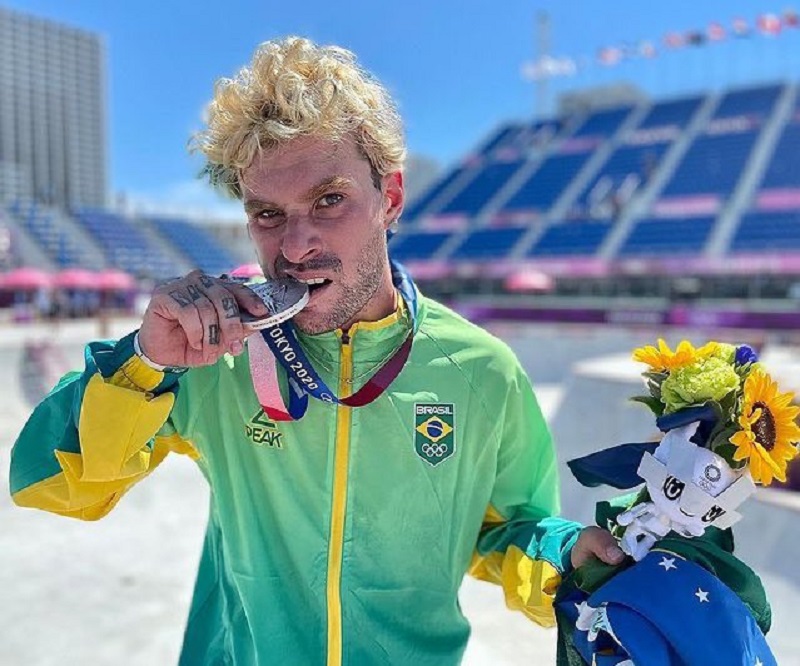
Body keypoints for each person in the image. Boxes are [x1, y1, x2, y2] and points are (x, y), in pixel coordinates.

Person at [9, 37, 623, 666]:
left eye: (329, 200)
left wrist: (568, 555)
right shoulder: (213, 355)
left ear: (389, 198)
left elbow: (508, 529)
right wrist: (143, 363)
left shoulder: (484, 370)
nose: (297, 245)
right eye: (268, 214)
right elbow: (47, 485)